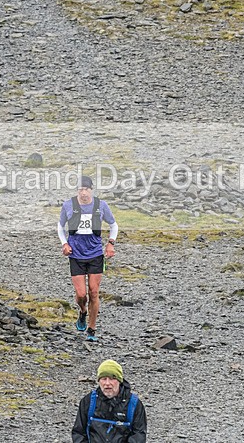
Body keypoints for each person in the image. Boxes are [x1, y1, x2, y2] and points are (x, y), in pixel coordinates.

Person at [58, 175, 118, 342]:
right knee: (81, 294)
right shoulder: (69, 205)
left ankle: (92, 329)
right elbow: (60, 226)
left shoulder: (100, 205)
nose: (83, 193)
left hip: (95, 254)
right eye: (80, 189)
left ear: (91, 190)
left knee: (93, 292)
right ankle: (83, 311)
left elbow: (113, 225)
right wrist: (64, 243)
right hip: (75, 254)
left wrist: (110, 244)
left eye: (86, 189)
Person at [73, 359, 147, 443]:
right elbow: (78, 433)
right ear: (99, 381)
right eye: (104, 379)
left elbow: (138, 435)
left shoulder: (134, 405)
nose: (107, 383)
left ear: (119, 381)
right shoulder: (88, 402)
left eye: (112, 378)